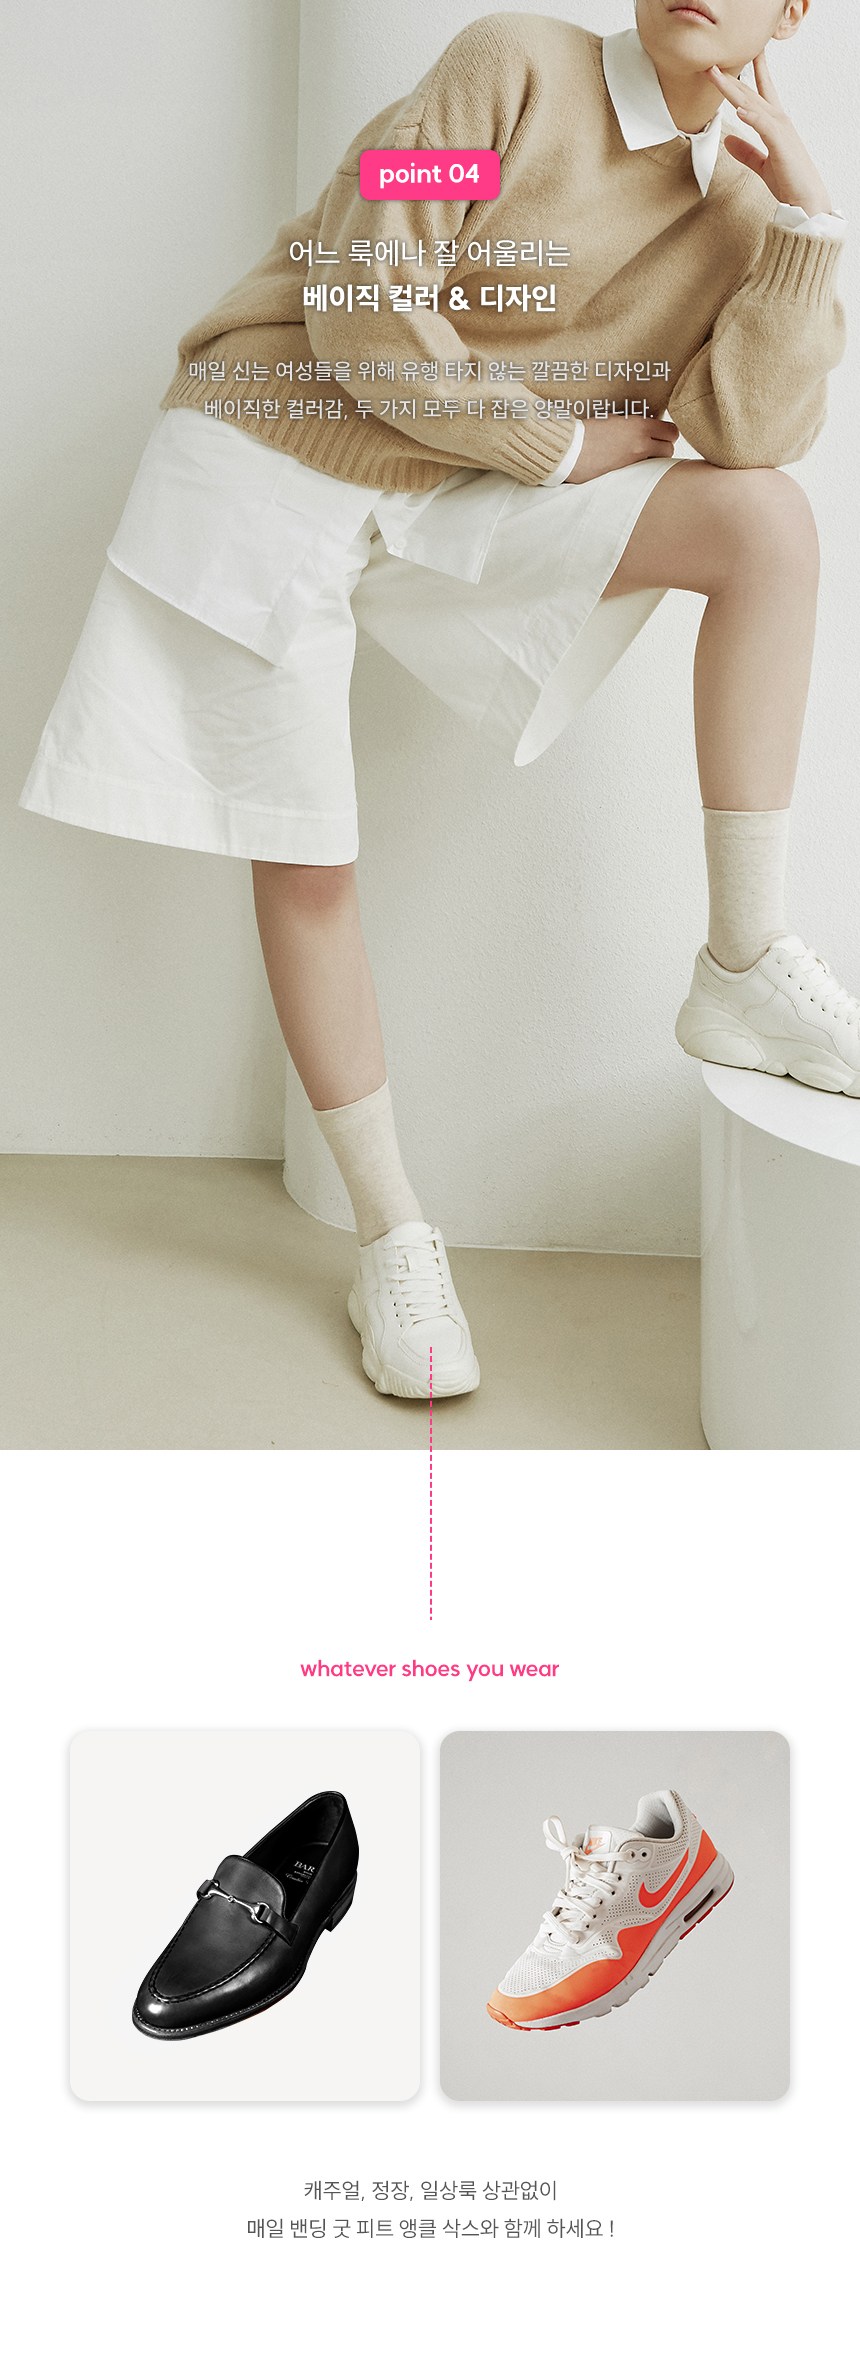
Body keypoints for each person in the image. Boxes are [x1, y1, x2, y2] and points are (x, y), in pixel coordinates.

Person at [20, 1, 854, 1404]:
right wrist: (557, 441)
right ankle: (393, 1236)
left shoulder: (737, 212)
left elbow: (747, 433)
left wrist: (808, 227)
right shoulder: (511, 70)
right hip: (275, 438)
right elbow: (360, 295)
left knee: (767, 524)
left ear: (795, 13)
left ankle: (742, 961)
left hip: (457, 480)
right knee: (306, 841)